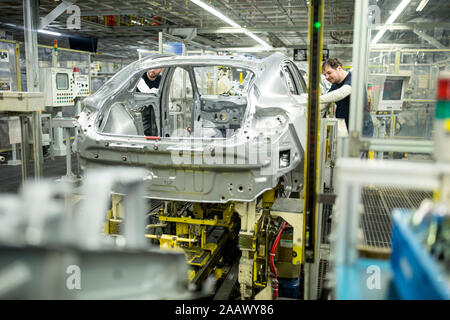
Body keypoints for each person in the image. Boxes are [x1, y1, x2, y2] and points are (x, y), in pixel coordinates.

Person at [320, 58, 373, 137]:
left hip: (360, 130)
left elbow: (342, 93)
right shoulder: (335, 85)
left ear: (339, 68)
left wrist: (315, 99)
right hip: (344, 128)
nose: (327, 77)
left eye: (329, 73)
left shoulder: (354, 79)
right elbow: (325, 103)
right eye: (325, 75)